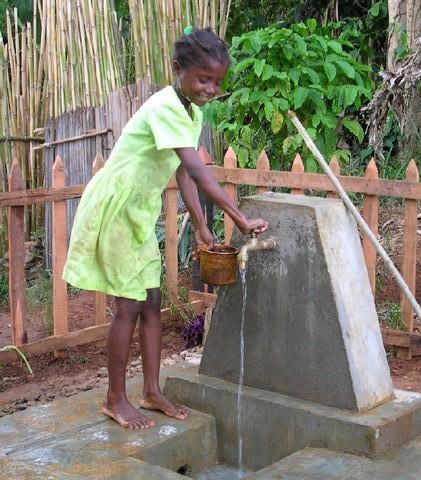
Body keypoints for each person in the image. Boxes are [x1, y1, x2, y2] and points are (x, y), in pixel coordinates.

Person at [62, 27, 267, 429]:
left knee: (151, 300)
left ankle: (152, 390)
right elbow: (196, 169)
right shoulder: (164, 107)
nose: (211, 88)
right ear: (178, 70)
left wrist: (204, 224)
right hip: (117, 208)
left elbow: (183, 174)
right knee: (129, 306)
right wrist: (239, 219)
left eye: (218, 81)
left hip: (139, 210)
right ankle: (115, 398)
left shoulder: (191, 112)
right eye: (203, 79)